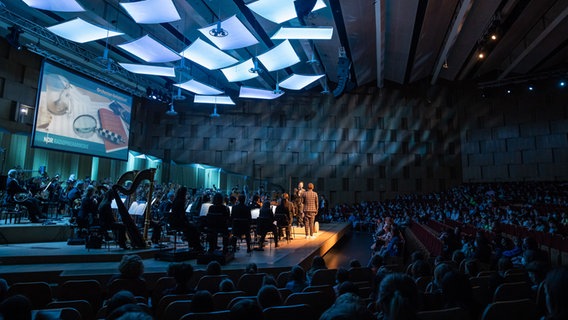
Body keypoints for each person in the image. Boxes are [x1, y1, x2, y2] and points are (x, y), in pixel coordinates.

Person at [168, 186, 204, 252]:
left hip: (174, 221)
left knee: (191, 228)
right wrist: (187, 222)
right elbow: (182, 215)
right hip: (178, 222)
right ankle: (196, 246)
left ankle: (192, 245)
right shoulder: (181, 201)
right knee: (195, 229)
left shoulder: (176, 200)